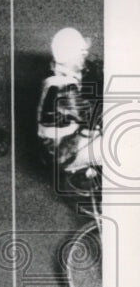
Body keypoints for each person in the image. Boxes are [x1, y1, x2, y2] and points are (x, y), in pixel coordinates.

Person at [37, 27, 101, 176]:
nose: (85, 55)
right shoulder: (64, 87)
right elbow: (92, 117)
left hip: (55, 145)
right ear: (70, 57)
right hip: (62, 153)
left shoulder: (55, 74)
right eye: (81, 53)